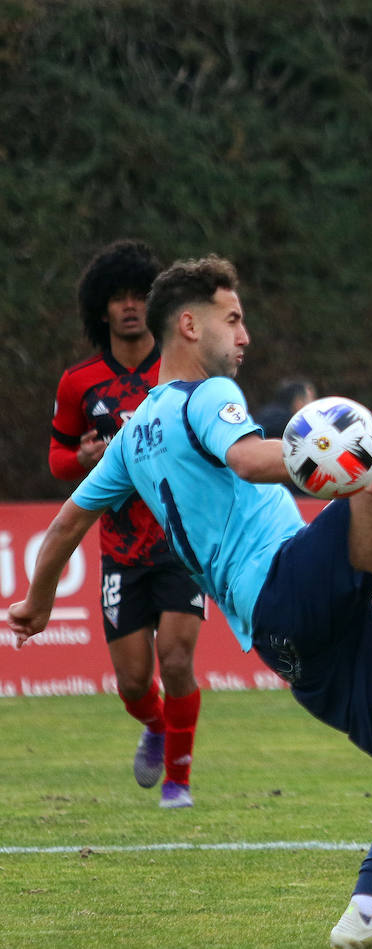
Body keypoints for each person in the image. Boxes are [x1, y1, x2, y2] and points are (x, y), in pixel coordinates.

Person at [9, 255, 372, 949]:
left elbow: (66, 524)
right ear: (190, 325)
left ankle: (368, 913)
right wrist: (359, 466)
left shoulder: (131, 439)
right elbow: (250, 460)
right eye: (233, 318)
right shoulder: (206, 396)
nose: (244, 335)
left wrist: (36, 603)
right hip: (284, 582)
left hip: (280, 639)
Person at [48, 239, 207, 809]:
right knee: (135, 682)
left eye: (139, 295)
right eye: (118, 298)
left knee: (178, 660)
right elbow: (58, 460)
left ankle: (178, 781)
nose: (130, 306)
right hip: (120, 548)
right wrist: (83, 458)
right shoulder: (79, 382)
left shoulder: (181, 370)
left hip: (180, 541)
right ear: (102, 309)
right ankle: (156, 725)